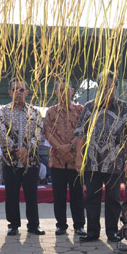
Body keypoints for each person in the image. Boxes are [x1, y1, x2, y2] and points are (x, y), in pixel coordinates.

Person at [73, 71, 127, 243]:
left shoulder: (124, 108)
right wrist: (78, 157)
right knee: (91, 197)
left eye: (111, 86)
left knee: (113, 198)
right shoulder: (89, 107)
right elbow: (80, 134)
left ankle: (112, 232)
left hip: (115, 162)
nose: (108, 90)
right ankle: (92, 232)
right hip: (92, 161)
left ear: (116, 87)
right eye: (104, 87)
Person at [0, 78, 45, 236]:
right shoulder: (3, 112)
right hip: (10, 161)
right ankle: (13, 224)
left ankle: (33, 224)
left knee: (31, 193)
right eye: (15, 90)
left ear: (27, 93)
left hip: (30, 162)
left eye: (21, 90)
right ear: (10, 93)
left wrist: (27, 150)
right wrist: (17, 151)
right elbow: (2, 134)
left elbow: (38, 134)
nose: (18, 93)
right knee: (12, 194)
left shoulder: (35, 112)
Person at [43, 77, 86, 236]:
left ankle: (79, 225)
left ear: (72, 91)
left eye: (66, 89)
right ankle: (61, 224)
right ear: (55, 92)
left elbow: (83, 131)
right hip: (57, 160)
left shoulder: (80, 110)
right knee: (59, 194)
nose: (63, 93)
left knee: (77, 194)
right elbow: (47, 132)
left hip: (76, 160)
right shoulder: (51, 111)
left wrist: (71, 146)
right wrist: (61, 148)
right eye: (60, 90)